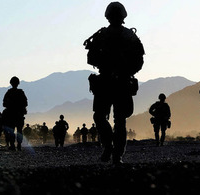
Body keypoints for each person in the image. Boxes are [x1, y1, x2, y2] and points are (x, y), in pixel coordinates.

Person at [84, 2, 144, 164]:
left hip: (105, 82)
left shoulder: (101, 35)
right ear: (123, 16)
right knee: (120, 121)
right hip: (122, 82)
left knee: (100, 116)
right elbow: (139, 62)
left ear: (107, 16)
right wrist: (125, 71)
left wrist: (107, 64)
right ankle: (117, 155)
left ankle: (109, 147)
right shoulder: (130, 36)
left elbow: (90, 59)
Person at [2, 76, 28, 151]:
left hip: (10, 115)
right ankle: (19, 145)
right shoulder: (21, 92)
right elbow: (26, 103)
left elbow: (4, 104)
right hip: (19, 115)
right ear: (18, 83)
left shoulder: (9, 92)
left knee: (11, 131)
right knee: (19, 130)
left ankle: (13, 145)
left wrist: (11, 105)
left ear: (11, 83)